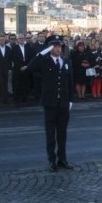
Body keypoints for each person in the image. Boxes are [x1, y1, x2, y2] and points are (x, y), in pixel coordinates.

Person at [24, 35, 75, 172]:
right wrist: (44, 52)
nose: (58, 49)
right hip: (50, 103)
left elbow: (70, 82)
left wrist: (70, 99)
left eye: (59, 46)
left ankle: (62, 159)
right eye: (55, 47)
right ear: (50, 48)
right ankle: (51, 160)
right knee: (50, 134)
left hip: (63, 103)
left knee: (62, 134)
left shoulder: (65, 62)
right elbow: (31, 66)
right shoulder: (44, 61)